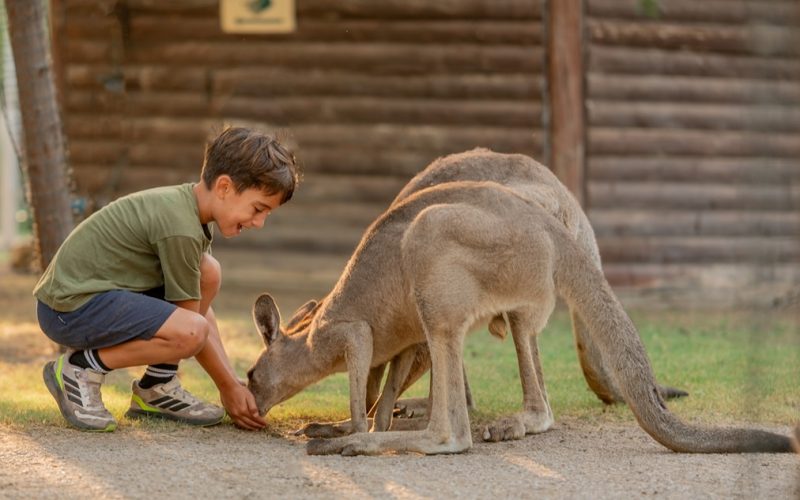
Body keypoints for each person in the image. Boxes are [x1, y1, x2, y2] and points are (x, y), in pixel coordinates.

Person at [33, 127, 298, 432]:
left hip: (94, 300)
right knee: (190, 330)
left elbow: (197, 312)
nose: (260, 223)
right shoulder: (181, 228)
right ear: (224, 187)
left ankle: (157, 386)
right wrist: (227, 388)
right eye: (258, 208)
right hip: (68, 310)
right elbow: (191, 330)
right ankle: (79, 369)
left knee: (207, 273)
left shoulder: (190, 213)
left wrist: (232, 381)